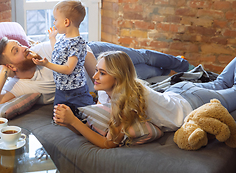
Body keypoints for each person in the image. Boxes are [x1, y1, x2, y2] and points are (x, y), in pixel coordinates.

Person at [53, 51, 236, 148]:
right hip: (181, 91)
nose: (94, 76)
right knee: (221, 81)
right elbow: (96, 123)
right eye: (96, 71)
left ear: (117, 77)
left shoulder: (125, 100)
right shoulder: (117, 90)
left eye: (102, 73)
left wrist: (74, 122)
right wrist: (70, 122)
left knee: (230, 87)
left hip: (193, 103)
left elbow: (108, 143)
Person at [0, 38, 192, 108]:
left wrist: (95, 78)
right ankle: (165, 69)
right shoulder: (19, 86)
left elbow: (80, 49)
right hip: (102, 80)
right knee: (144, 72)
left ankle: (185, 66)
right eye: (16, 51)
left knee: (144, 56)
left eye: (20, 45)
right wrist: (1, 75)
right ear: (11, 67)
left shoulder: (43, 49)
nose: (24, 48)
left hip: (95, 53)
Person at [32, 0, 94, 109]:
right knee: (58, 117)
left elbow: (68, 69)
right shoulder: (62, 38)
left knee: (88, 115)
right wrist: (52, 39)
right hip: (61, 89)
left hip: (76, 91)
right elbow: (58, 51)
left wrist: (47, 64)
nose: (54, 23)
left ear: (66, 22)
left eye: (55, 20)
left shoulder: (77, 44)